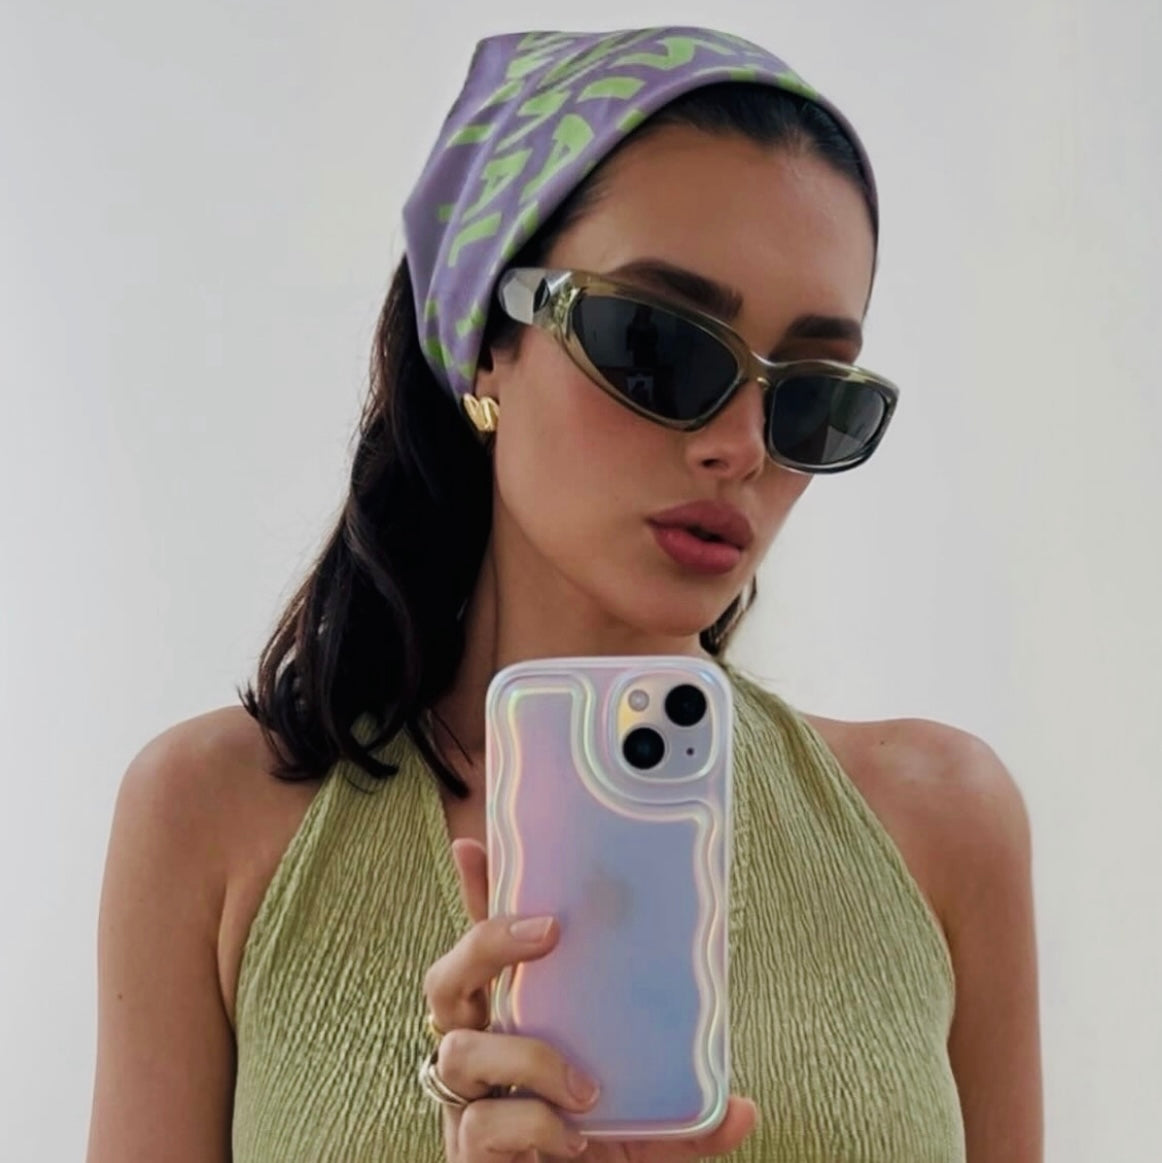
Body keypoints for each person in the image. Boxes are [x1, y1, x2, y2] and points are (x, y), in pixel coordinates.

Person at [86, 26, 1043, 1163]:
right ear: (486, 342)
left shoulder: (942, 823)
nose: (739, 446)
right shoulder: (212, 818)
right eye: (659, 346)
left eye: (811, 395)